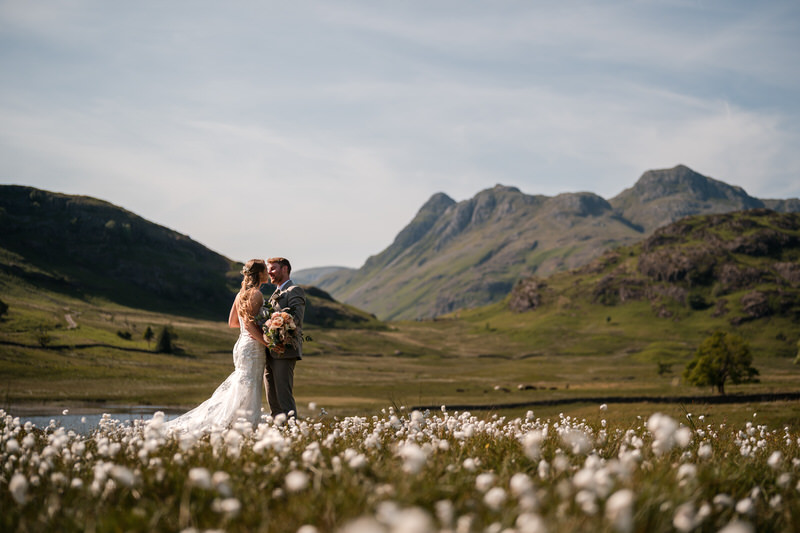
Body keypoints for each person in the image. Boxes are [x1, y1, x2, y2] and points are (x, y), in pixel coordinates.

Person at [163, 259, 270, 433]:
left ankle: (235, 424)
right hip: (252, 346)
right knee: (249, 386)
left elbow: (233, 322)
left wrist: (253, 329)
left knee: (244, 384)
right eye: (265, 269)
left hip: (242, 344)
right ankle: (236, 425)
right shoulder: (256, 294)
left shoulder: (240, 294)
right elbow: (249, 325)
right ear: (259, 273)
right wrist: (266, 340)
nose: (268, 273)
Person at [264, 256, 305, 418]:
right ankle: (278, 436)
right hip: (269, 352)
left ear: (285, 269)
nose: (269, 272)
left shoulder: (294, 290)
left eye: (273, 268)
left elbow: (296, 319)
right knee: (272, 401)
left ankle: (292, 437)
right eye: (269, 269)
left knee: (284, 399)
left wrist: (276, 322)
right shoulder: (275, 292)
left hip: (285, 351)